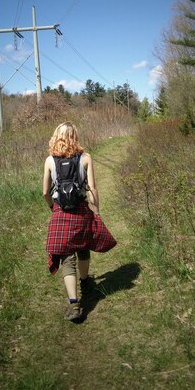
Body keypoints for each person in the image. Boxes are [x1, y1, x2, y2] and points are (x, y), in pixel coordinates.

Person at [43, 122, 117, 322]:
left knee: (67, 257)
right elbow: (92, 188)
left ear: (56, 136)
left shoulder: (50, 161)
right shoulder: (86, 158)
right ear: (75, 136)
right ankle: (85, 283)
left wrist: (53, 207)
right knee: (83, 247)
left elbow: (44, 192)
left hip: (61, 211)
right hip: (81, 210)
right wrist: (97, 211)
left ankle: (74, 302)